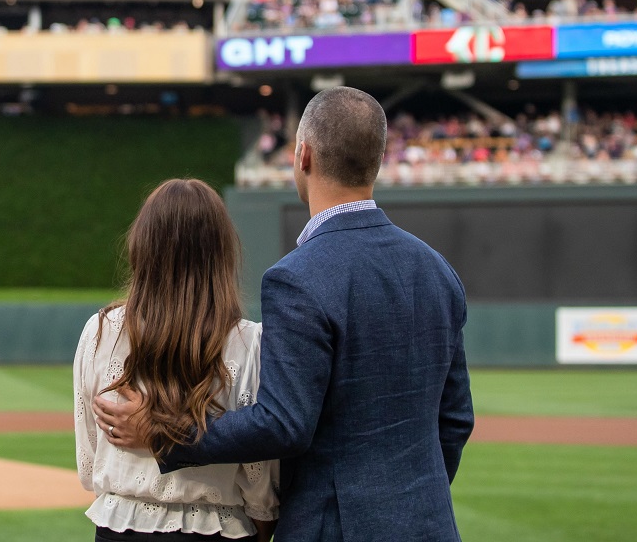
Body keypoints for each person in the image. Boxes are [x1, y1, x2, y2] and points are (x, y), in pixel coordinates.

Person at [96, 87, 473, 542]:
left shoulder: (296, 277)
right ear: (376, 159)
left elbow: (283, 424)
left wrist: (163, 434)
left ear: (303, 155)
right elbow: (455, 420)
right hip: (430, 525)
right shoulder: (437, 270)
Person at [74, 178, 277, 541]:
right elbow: (259, 472)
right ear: (220, 252)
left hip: (118, 525)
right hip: (217, 530)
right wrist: (263, 523)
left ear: (142, 245)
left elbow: (90, 462)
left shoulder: (100, 331)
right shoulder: (249, 343)